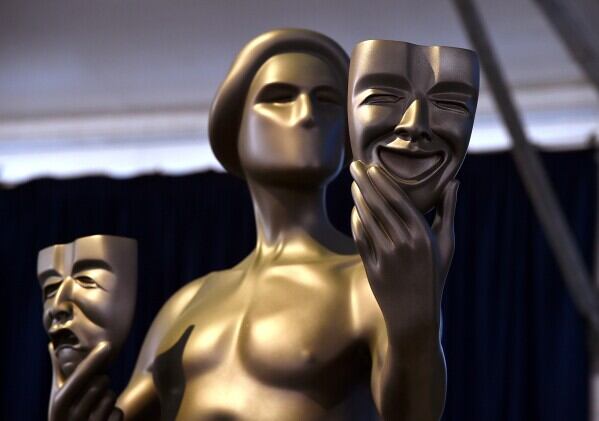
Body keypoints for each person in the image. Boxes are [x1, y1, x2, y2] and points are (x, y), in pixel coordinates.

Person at [51, 29, 454, 421]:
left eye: (327, 100)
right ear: (237, 130)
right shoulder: (185, 305)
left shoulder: (368, 282)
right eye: (280, 97)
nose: (306, 114)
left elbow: (414, 413)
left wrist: (415, 330)